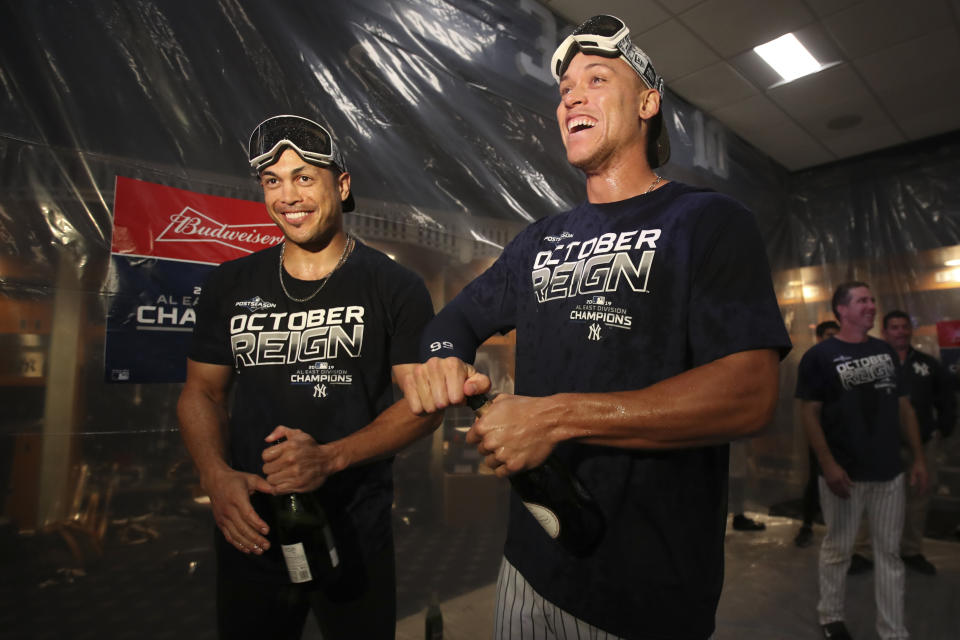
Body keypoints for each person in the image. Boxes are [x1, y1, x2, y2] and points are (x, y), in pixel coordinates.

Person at [399, 14, 791, 640]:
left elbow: (749, 394)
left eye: (596, 79)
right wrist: (443, 357)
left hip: (650, 590)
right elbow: (455, 319)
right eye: (564, 90)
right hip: (530, 567)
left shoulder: (708, 222)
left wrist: (551, 417)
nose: (571, 97)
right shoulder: (539, 241)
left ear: (646, 102)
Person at [177, 114, 439, 639]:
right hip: (251, 530)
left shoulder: (395, 286)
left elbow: (424, 406)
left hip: (354, 529)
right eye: (273, 181)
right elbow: (200, 392)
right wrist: (214, 473)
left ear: (341, 186)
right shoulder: (230, 284)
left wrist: (330, 457)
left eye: (303, 177)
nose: (288, 195)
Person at [796, 282, 928, 640]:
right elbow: (809, 413)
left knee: (889, 555)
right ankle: (831, 616)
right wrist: (828, 465)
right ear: (841, 310)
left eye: (872, 299)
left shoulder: (885, 351)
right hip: (845, 474)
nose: (871, 306)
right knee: (838, 549)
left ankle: (893, 630)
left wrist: (917, 458)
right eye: (862, 301)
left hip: (888, 473)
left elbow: (903, 406)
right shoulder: (820, 357)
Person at [850, 310, 956, 575]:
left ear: (911, 330)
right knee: (870, 497)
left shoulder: (927, 364)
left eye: (904, 327)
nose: (900, 332)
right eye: (894, 327)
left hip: (921, 442)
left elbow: (946, 399)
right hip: (880, 444)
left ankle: (911, 550)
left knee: (919, 497)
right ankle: (864, 551)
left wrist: (943, 428)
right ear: (884, 332)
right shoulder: (872, 364)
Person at [794, 320, 840, 548]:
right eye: (829, 335)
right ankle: (807, 524)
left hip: (843, 434)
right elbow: (808, 406)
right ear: (820, 337)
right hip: (821, 432)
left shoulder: (843, 360)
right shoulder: (813, 360)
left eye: (836, 334)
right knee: (815, 479)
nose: (833, 339)